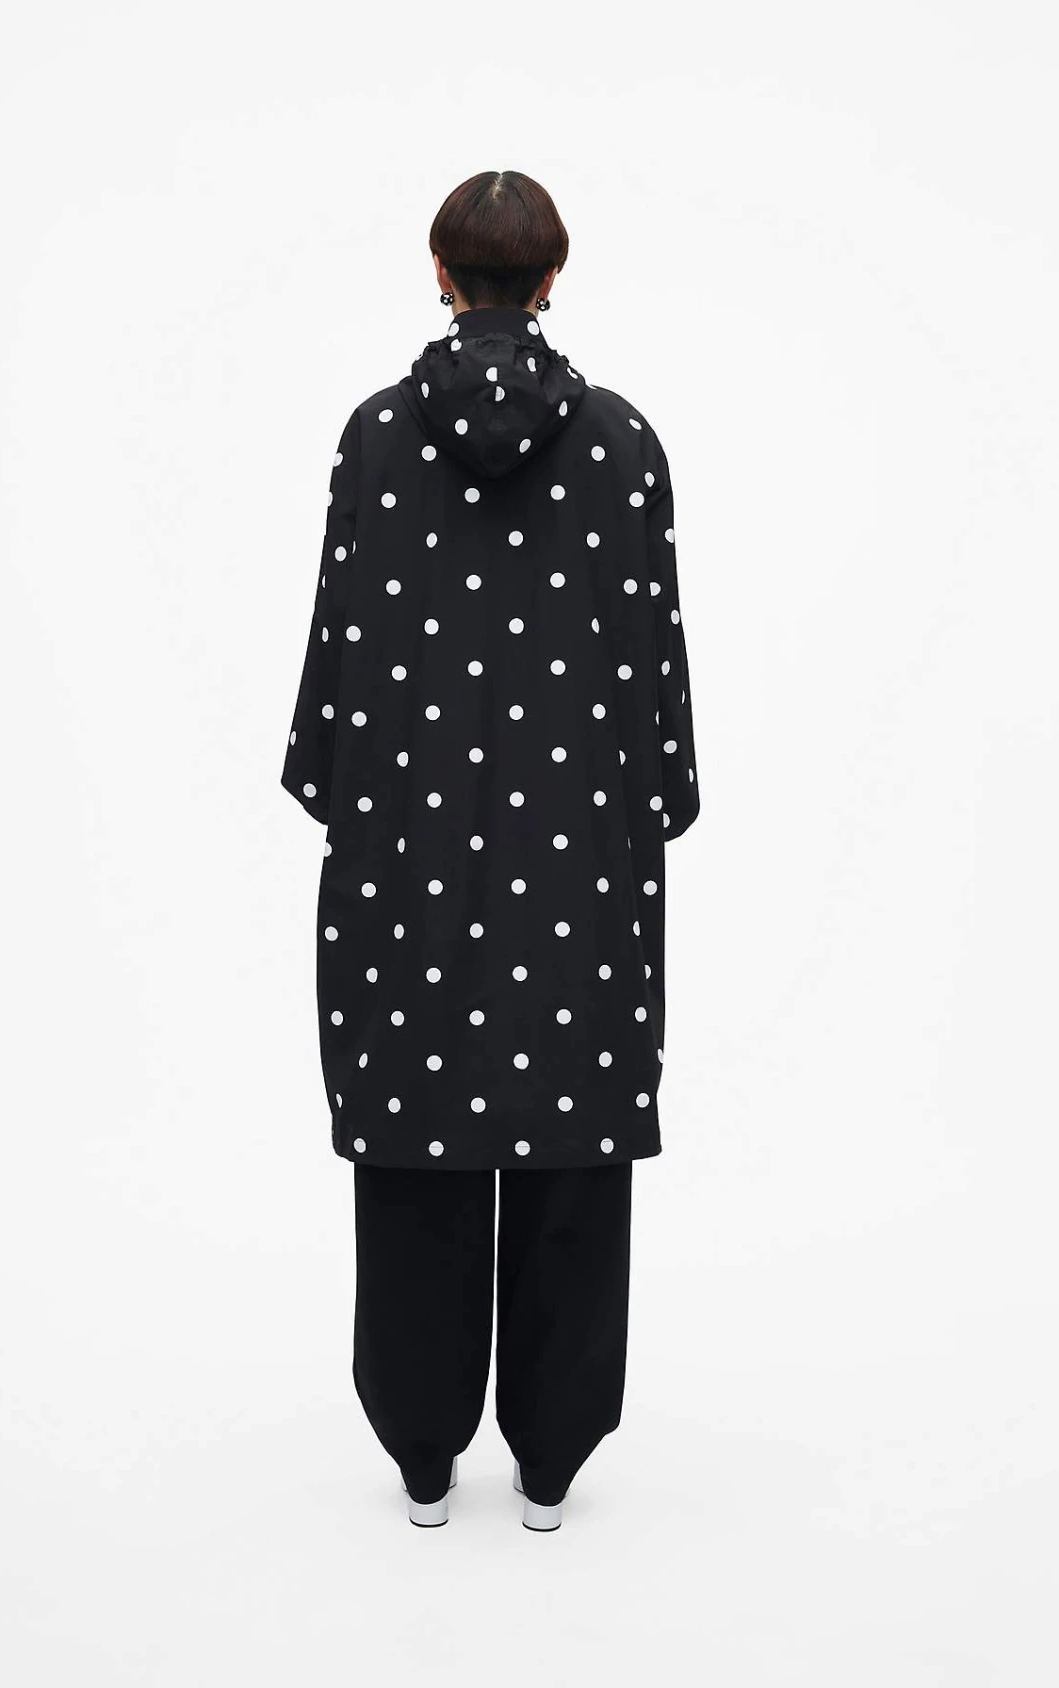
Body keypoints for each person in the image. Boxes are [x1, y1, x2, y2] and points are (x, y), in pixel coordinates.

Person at [281, 170, 700, 1531]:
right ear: (554, 278)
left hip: (407, 861)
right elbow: (655, 676)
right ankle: (553, 1465)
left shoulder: (374, 437)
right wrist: (650, 806)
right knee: (571, 1148)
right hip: (579, 863)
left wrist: (354, 799)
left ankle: (420, 1457)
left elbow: (338, 670)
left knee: (418, 1144)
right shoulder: (627, 446)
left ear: (442, 276)